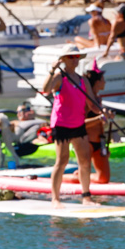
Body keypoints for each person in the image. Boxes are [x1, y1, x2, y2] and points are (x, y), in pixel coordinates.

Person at [41, 44, 98, 207]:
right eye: (71, 57)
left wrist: (103, 113)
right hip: (61, 124)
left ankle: (86, 197)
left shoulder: (83, 80)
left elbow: (92, 103)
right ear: (64, 59)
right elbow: (45, 90)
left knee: (85, 160)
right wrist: (52, 70)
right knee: (62, 160)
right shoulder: (59, 77)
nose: (75, 60)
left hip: (78, 124)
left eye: (77, 57)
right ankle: (55, 199)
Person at [77, 66, 110, 183]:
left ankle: (81, 175)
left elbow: (100, 122)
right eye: (103, 79)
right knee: (87, 170)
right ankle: (74, 176)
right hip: (86, 141)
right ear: (97, 82)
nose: (105, 82)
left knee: (104, 179)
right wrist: (100, 118)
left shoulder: (98, 99)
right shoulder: (86, 100)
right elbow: (80, 124)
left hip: (99, 142)